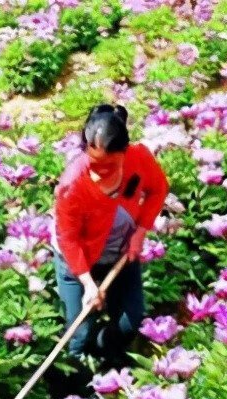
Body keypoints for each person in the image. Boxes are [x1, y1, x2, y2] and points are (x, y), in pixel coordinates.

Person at [52, 104, 169, 376]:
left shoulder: (139, 158)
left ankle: (107, 349)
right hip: (78, 261)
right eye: (94, 164)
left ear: (124, 153)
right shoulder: (72, 186)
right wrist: (88, 284)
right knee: (78, 334)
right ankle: (76, 382)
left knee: (131, 323)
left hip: (120, 253)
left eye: (109, 165)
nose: (99, 172)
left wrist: (140, 232)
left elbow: (158, 190)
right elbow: (69, 240)